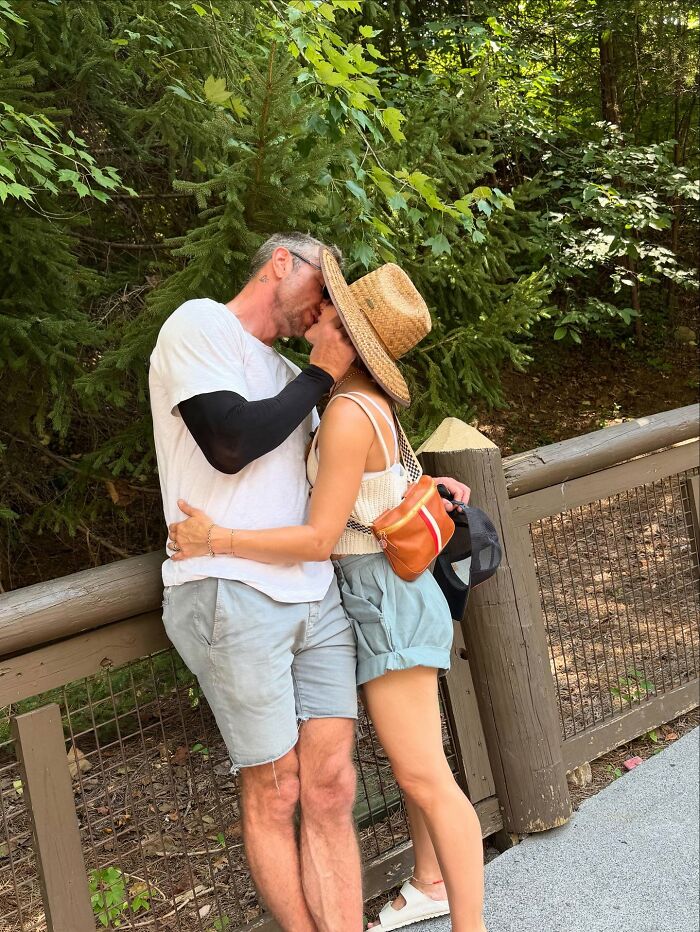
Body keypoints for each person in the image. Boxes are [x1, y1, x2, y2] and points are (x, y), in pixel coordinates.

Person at [167, 251, 487, 932]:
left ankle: (468, 920)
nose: (314, 313)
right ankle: (435, 888)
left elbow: (319, 537)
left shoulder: (340, 408)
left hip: (374, 597)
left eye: (327, 307)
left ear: (346, 330)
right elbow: (358, 488)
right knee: (389, 775)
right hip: (372, 594)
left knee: (420, 776)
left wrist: (217, 538)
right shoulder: (341, 400)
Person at [150, 232, 362, 932]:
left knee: (331, 787)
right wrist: (321, 375)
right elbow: (230, 442)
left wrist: (425, 487)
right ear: (280, 264)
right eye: (322, 290)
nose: (325, 310)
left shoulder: (289, 377)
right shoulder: (198, 324)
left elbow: (326, 481)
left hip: (314, 595)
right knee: (277, 792)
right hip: (229, 593)